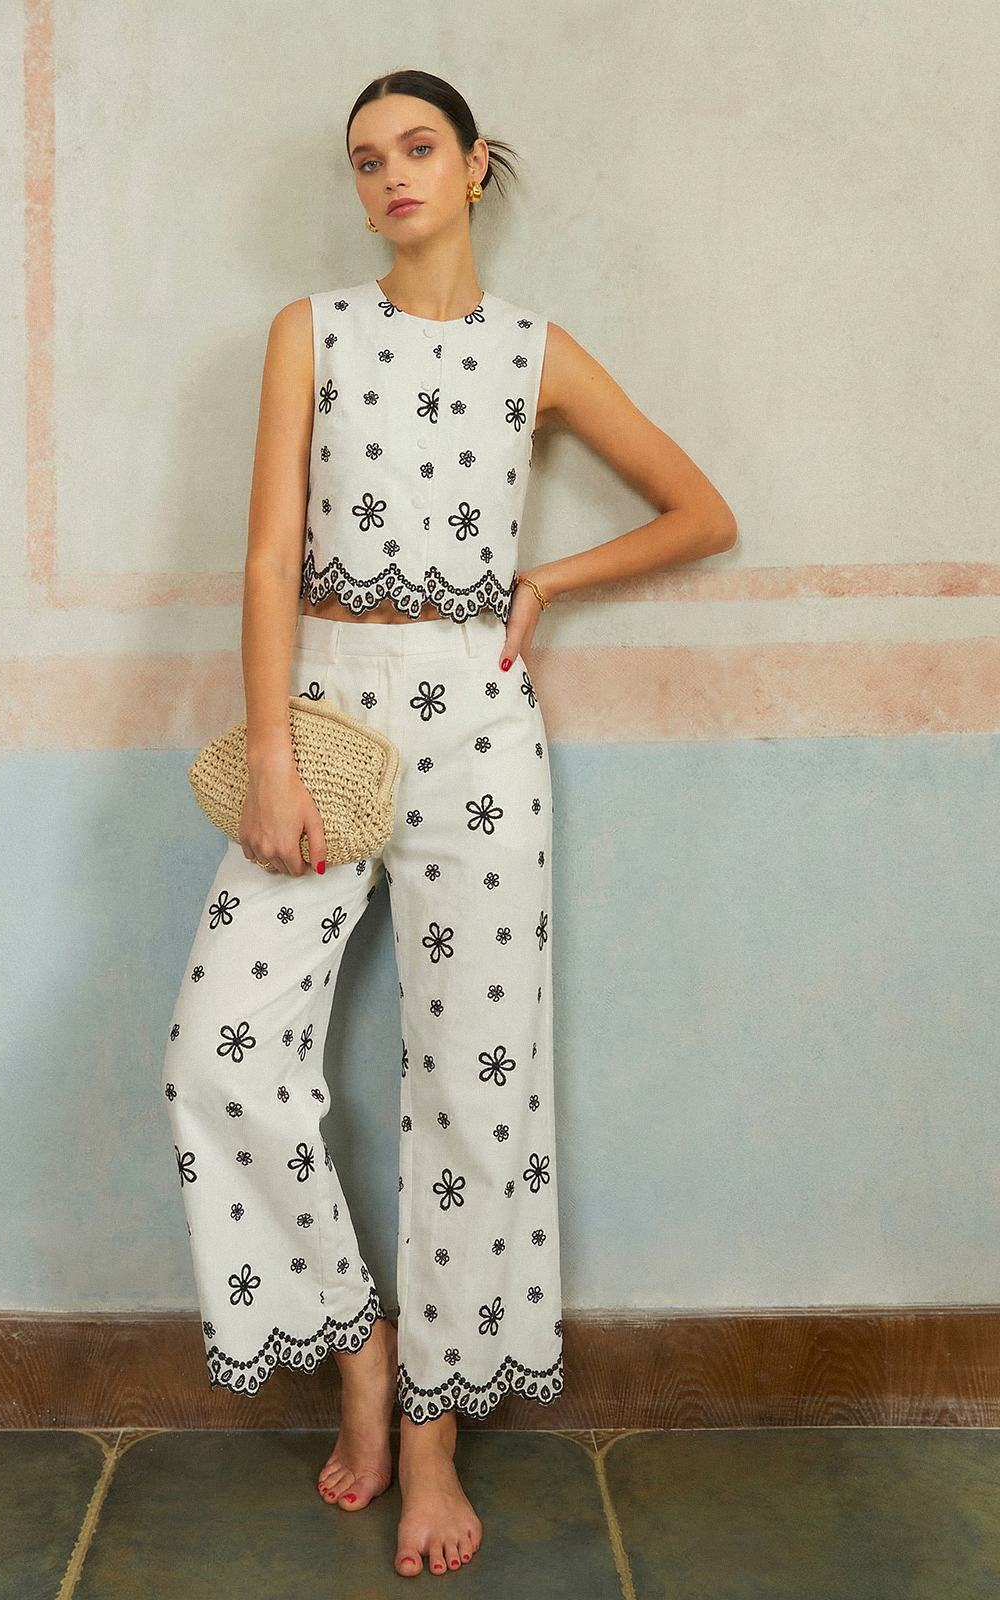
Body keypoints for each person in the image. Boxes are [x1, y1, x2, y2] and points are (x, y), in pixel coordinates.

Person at [163, 67, 737, 1580]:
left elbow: (701, 512)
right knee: (220, 1049)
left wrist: (548, 583)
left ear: (476, 165)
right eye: (366, 161)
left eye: (418, 148)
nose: (392, 175)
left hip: (482, 727)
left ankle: (432, 1432)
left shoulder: (535, 352)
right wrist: (273, 750)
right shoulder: (311, 331)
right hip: (327, 717)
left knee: (477, 1093)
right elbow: (268, 555)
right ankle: (358, 1345)